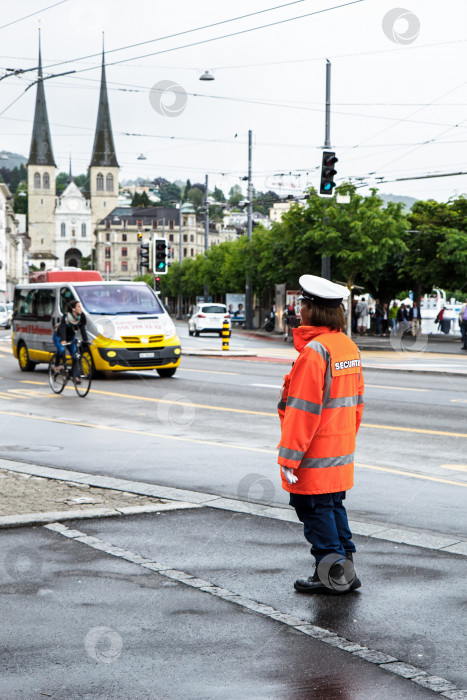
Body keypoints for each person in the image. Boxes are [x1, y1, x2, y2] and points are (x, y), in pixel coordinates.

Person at [277, 274, 364, 594]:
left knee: (315, 511)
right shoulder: (346, 347)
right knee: (333, 508)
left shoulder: (315, 352)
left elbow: (302, 411)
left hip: (313, 454)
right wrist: (345, 440)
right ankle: (346, 571)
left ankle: (332, 576)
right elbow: (357, 404)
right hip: (339, 451)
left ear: (314, 310)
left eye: (303, 304)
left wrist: (288, 456)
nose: (299, 309)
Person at [53, 300, 89, 380]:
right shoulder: (66, 317)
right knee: (61, 350)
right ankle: (56, 365)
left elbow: (83, 329)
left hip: (70, 337)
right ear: (73, 309)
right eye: (78, 306)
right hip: (59, 336)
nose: (80, 308)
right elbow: (62, 328)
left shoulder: (81, 317)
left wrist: (86, 340)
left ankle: (75, 376)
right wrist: (63, 339)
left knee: (75, 355)